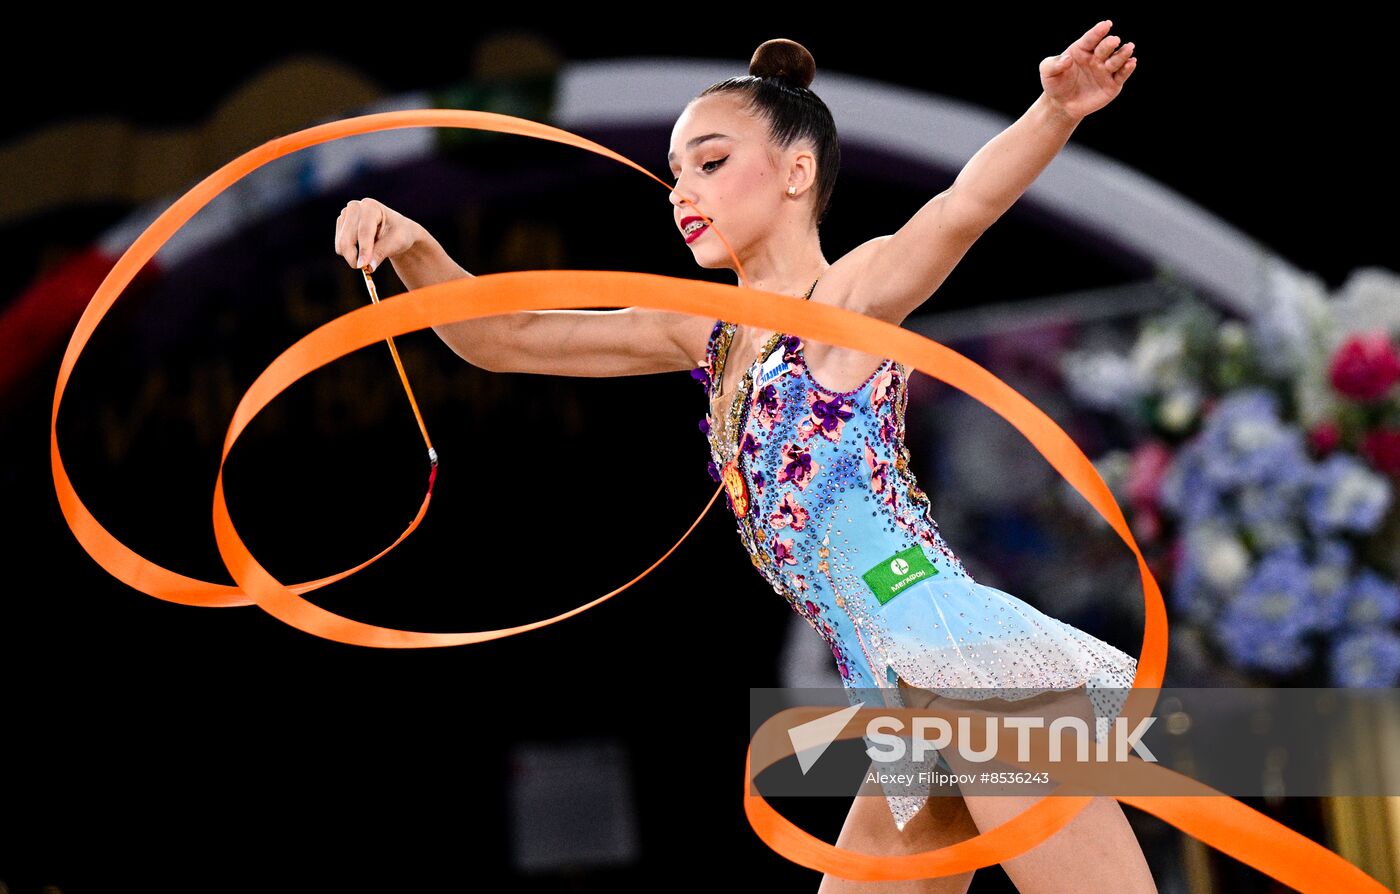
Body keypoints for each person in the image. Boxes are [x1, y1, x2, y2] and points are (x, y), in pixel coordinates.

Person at [335, 30, 1151, 894]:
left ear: (797, 173)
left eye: (712, 162)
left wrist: (1053, 111)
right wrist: (414, 245)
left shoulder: (849, 298)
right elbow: (506, 337)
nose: (682, 189)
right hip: (898, 690)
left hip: (964, 665)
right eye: (678, 171)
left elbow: (961, 207)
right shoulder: (706, 337)